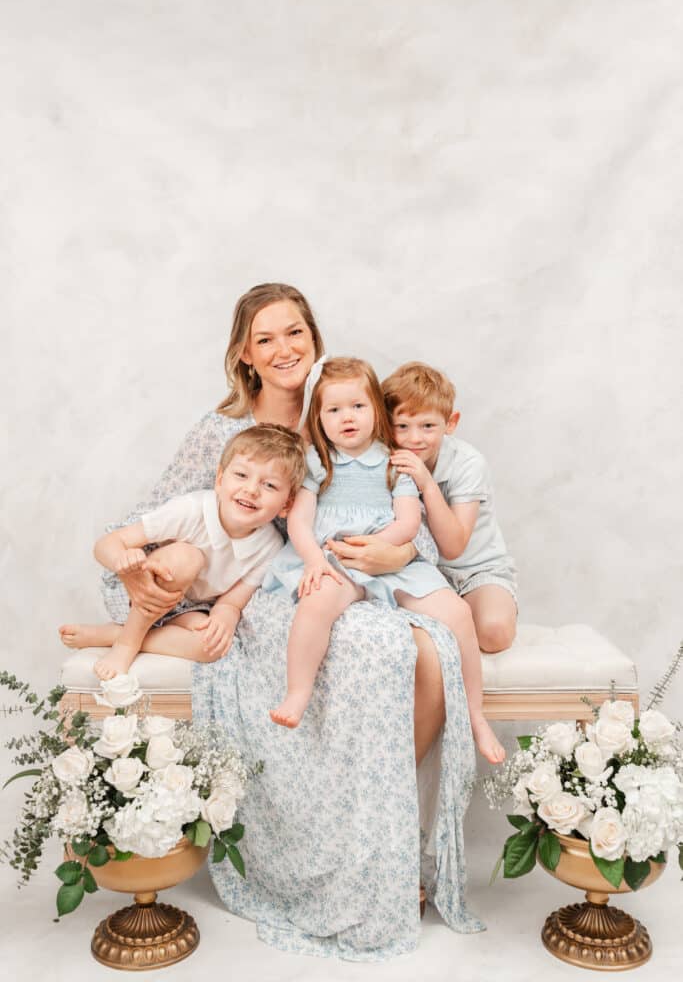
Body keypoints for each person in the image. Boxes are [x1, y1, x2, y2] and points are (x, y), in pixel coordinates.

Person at [96, 283, 483, 959]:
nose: (284, 349)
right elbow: (166, 520)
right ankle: (324, 840)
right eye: (265, 338)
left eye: (295, 332)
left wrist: (395, 552)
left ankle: (370, 844)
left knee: (422, 651)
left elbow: (392, 506)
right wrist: (191, 593)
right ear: (244, 354)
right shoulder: (221, 431)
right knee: (367, 647)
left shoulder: (344, 407)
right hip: (259, 590)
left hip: (344, 575)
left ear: (314, 336)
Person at [263, 357, 505, 764]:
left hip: (387, 556)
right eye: (333, 410)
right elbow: (300, 522)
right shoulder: (316, 461)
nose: (347, 418)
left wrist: (375, 546)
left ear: (376, 408)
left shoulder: (395, 460)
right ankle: (298, 692)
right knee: (315, 605)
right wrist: (315, 559)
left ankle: (477, 715)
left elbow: (409, 521)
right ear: (318, 418)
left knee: (459, 614)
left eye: (357, 406)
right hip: (332, 555)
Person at [59, 425, 306, 679]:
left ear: (286, 504)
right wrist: (123, 560)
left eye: (269, 485)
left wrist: (225, 617)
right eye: (241, 475)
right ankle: (126, 644)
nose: (252, 489)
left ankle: (111, 635)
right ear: (220, 481)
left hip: (188, 610)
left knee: (211, 646)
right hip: (141, 591)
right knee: (187, 559)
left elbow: (232, 600)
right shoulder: (192, 509)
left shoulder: (270, 546)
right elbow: (106, 543)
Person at [384, 361, 518, 654]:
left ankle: (479, 609)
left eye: (428, 426)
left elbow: (454, 546)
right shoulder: (385, 460)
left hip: (477, 571)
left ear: (451, 423)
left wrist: (426, 483)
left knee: (494, 633)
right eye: (402, 426)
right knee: (408, 640)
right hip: (418, 571)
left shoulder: (468, 463)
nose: (415, 438)